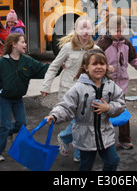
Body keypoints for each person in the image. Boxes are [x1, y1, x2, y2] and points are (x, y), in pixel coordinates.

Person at [45, 49, 126, 171]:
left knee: (113, 161)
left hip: (105, 133)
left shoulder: (111, 85)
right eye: (94, 64)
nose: (99, 67)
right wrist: (55, 115)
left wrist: (109, 108)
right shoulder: (78, 88)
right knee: (86, 166)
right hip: (85, 135)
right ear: (86, 67)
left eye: (102, 64)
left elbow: (121, 104)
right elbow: (66, 106)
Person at [0, 33, 50, 162]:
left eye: (25, 42)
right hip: (5, 98)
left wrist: (58, 68)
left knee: (22, 123)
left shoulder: (27, 61)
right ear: (14, 44)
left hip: (18, 99)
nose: (26, 45)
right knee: (4, 125)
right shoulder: (2, 62)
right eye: (23, 42)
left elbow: (43, 69)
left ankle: (10, 132)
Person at [40, 15, 99, 162]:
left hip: (87, 92)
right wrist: (46, 85)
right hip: (69, 90)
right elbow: (54, 66)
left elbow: (101, 70)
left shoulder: (96, 49)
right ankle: (76, 150)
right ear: (76, 30)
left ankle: (67, 140)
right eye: (82, 28)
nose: (85, 31)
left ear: (93, 29)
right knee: (79, 121)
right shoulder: (68, 48)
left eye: (88, 28)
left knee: (81, 121)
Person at [97, 15, 137, 149]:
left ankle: (125, 139)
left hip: (121, 85)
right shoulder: (103, 44)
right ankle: (102, 139)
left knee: (122, 111)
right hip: (106, 85)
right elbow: (95, 62)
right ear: (109, 29)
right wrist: (106, 68)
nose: (119, 34)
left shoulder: (126, 43)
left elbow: (133, 58)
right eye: (116, 30)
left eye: (121, 30)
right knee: (104, 113)